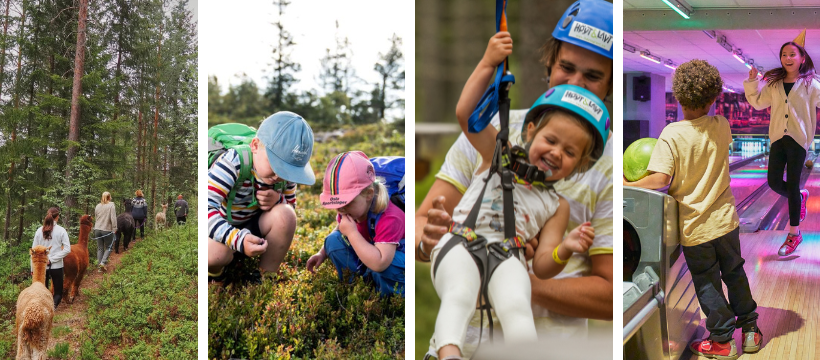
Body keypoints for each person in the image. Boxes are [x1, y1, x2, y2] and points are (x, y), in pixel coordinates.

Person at [417, 1, 613, 357]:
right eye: (566, 68)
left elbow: (549, 267)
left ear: (582, 163)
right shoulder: (499, 145)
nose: (576, 84)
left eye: (593, 76)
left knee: (515, 310)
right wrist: (489, 63)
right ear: (532, 130)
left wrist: (562, 250)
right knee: (460, 298)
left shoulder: (565, 200)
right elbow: (466, 115)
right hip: (469, 273)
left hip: (547, 327)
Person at [625, 59, 761, 360]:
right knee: (735, 273)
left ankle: (723, 340)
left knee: (708, 282)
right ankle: (750, 329)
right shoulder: (722, 125)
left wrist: (624, 180)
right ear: (714, 97)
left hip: (695, 228)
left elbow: (660, 179)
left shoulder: (671, 134)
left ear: (677, 95)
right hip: (726, 221)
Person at [207, 111, 315, 284]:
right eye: (276, 165)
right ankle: (216, 275)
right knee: (215, 255)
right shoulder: (233, 162)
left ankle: (265, 277)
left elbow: (291, 210)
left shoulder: (285, 176)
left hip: (255, 225)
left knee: (286, 215)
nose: (279, 176)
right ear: (255, 146)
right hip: (222, 228)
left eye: (287, 170)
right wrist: (238, 240)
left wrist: (278, 201)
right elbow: (206, 209)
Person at [744, 31, 820, 256]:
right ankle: (800, 196)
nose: (788, 58)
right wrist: (751, 82)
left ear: (802, 58)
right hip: (777, 138)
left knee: (794, 184)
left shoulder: (810, 84)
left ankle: (794, 235)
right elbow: (758, 102)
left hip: (798, 140)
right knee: (774, 182)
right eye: (784, 54)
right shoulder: (775, 84)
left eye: (792, 54)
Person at [306, 151, 405, 297]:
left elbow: (380, 262)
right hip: (370, 252)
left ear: (369, 194)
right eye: (337, 203)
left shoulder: (390, 217)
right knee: (333, 240)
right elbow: (339, 228)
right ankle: (358, 287)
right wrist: (322, 253)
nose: (341, 209)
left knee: (385, 268)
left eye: (347, 202)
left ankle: (387, 297)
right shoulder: (349, 209)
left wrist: (352, 233)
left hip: (393, 260)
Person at [31, 207, 71, 309]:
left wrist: (32, 268)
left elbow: (33, 252)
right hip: (57, 266)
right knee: (58, 293)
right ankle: (50, 310)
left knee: (41, 291)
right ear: (57, 217)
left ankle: (44, 310)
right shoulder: (61, 230)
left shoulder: (39, 230)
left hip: (41, 267)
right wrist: (52, 260)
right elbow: (67, 249)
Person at [94, 192, 118, 272]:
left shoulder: (97, 206)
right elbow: (113, 218)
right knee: (109, 247)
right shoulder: (111, 206)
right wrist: (114, 228)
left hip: (97, 229)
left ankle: (99, 267)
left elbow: (96, 217)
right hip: (107, 229)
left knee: (100, 248)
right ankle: (103, 263)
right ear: (109, 197)